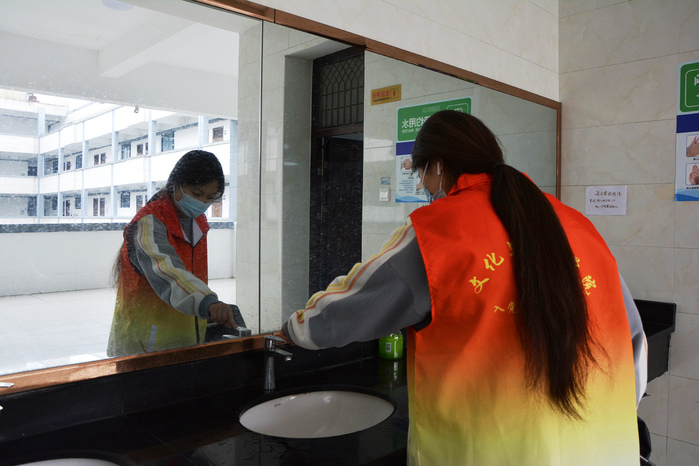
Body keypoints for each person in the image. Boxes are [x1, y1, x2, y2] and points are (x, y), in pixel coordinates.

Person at [280, 110, 648, 465]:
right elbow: (632, 339)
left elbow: (356, 307)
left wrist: (295, 328)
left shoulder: (439, 231)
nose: (423, 188)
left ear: (438, 166)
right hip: (603, 448)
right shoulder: (578, 225)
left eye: (421, 174)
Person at [108, 150, 241, 357]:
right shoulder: (149, 221)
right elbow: (166, 270)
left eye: (210, 198)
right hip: (147, 337)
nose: (202, 203)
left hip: (186, 332)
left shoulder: (198, 222)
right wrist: (207, 301)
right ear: (176, 184)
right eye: (196, 194)